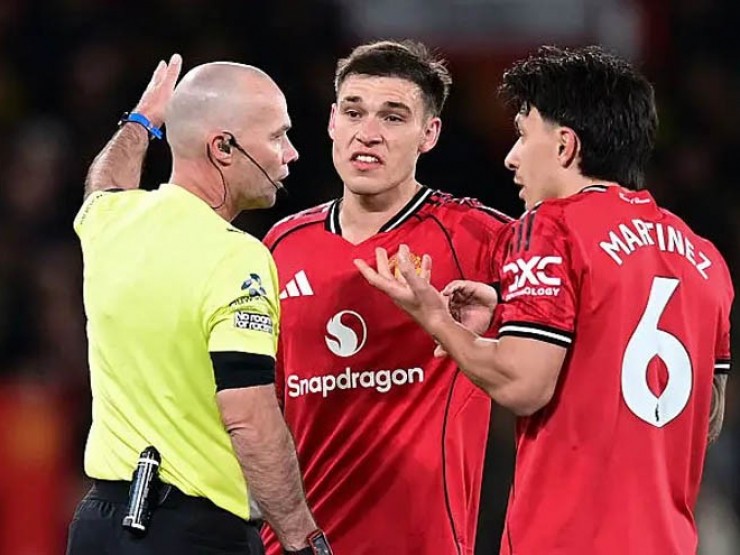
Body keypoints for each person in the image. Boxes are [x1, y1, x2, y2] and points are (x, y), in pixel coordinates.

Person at [356, 45, 733, 554]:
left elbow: (523, 384)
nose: (511, 157)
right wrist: (516, 315)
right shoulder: (703, 256)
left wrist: (435, 318)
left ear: (564, 146)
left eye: (522, 133)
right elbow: (706, 415)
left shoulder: (551, 225)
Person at [67, 54, 331, 555]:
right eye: (277, 136)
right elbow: (249, 418)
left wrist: (143, 120)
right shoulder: (237, 257)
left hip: (99, 526)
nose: (291, 153)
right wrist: (303, 541)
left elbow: (104, 182)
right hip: (194, 534)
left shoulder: (108, 220)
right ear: (223, 147)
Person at [260, 40, 511, 555]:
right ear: (332, 122)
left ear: (429, 134)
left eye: (393, 117)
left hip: (422, 543)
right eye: (354, 112)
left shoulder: (478, 237)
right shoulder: (282, 244)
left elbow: (580, 301)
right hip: (295, 545)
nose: (367, 133)